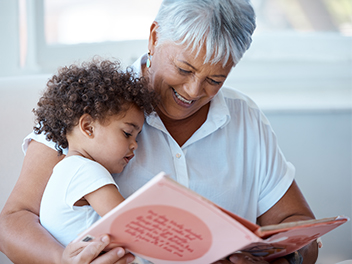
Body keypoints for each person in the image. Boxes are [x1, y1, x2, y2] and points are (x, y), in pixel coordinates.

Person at [0, 0, 319, 263]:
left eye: (215, 79)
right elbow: (13, 221)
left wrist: (285, 259)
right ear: (154, 38)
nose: (194, 91)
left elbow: (295, 224)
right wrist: (63, 260)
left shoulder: (245, 118)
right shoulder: (94, 110)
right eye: (184, 69)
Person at [32, 59, 155, 250]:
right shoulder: (86, 171)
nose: (135, 145)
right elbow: (131, 224)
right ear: (88, 127)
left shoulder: (66, 169)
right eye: (127, 133)